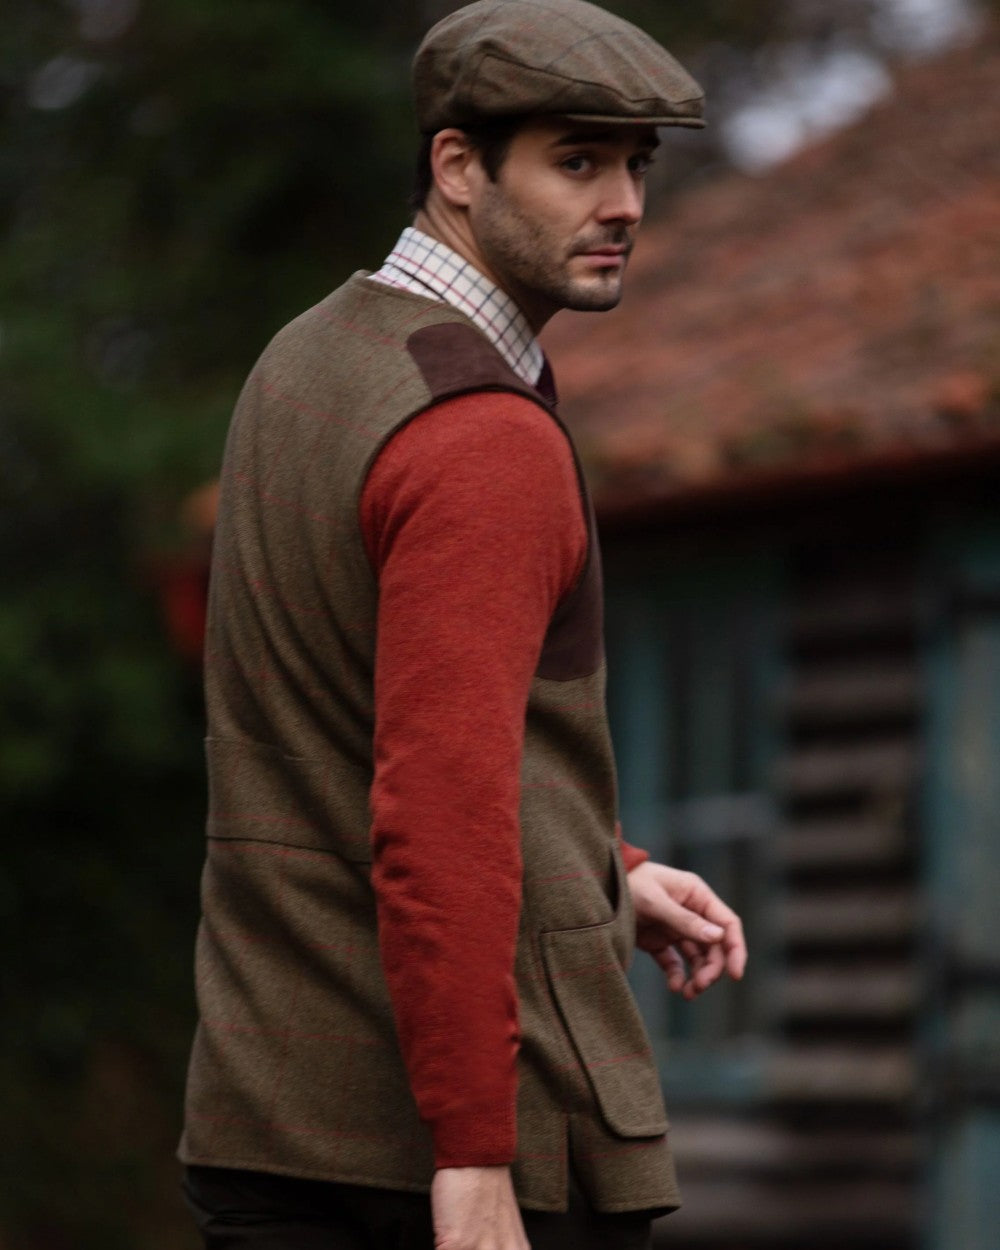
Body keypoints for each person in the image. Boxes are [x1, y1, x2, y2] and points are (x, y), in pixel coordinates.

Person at [178, 2, 746, 1247]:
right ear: (456, 165)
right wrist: (476, 1153)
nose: (623, 205)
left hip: (270, 1119)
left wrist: (606, 868)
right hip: (445, 1167)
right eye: (576, 161)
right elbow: (439, 808)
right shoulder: (480, 434)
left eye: (636, 165)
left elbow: (362, 722)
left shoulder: (309, 358)